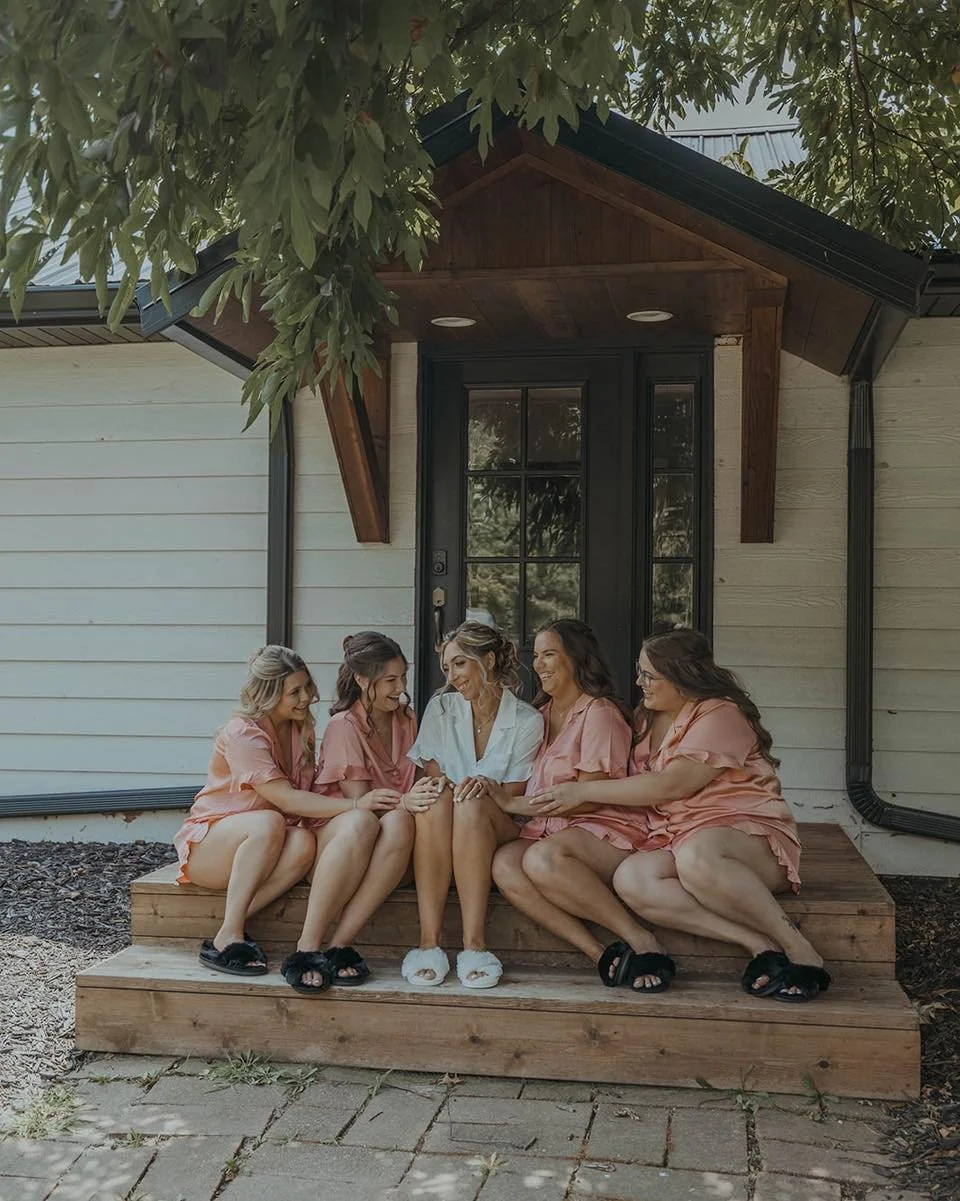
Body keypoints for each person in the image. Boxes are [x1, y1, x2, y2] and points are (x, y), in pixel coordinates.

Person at [529, 628, 830, 1003]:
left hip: (748, 841)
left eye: (649, 676)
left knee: (695, 856)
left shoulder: (721, 713)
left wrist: (584, 790)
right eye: (640, 673)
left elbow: (672, 785)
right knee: (632, 878)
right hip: (679, 838)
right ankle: (757, 943)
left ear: (683, 676)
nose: (640, 684)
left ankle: (799, 948)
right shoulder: (645, 719)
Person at [173, 645, 404, 996]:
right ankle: (229, 934)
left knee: (310, 838)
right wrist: (358, 801)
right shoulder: (242, 734)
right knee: (269, 821)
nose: (306, 698)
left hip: (273, 841)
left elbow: (305, 803)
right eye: (294, 692)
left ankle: (312, 946)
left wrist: (359, 812)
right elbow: (285, 798)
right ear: (268, 695)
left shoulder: (301, 730)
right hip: (212, 844)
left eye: (307, 688)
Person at [491, 620, 676, 993]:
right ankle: (599, 952)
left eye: (549, 655)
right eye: (536, 656)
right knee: (504, 865)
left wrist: (510, 802)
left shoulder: (600, 713)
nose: (539, 665)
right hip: (547, 829)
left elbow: (589, 793)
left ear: (575, 659)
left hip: (603, 828)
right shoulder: (536, 717)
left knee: (540, 860)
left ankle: (640, 939)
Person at [403, 621, 544, 988]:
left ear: (490, 660)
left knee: (472, 802)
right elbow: (435, 777)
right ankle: (428, 944)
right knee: (437, 797)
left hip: (497, 825)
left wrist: (484, 787)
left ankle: (474, 946)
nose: (452, 676)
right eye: (447, 667)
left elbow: (513, 797)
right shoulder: (441, 709)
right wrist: (453, 788)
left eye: (460, 664)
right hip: (445, 820)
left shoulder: (528, 720)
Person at [312, 632, 442, 983]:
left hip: (397, 850)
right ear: (362, 679)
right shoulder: (344, 727)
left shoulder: (407, 719)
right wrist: (405, 801)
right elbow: (361, 806)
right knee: (396, 821)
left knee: (404, 822)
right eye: (390, 680)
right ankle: (322, 944)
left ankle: (338, 945)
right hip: (348, 848)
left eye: (403, 677)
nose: (400, 688)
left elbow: (423, 778)